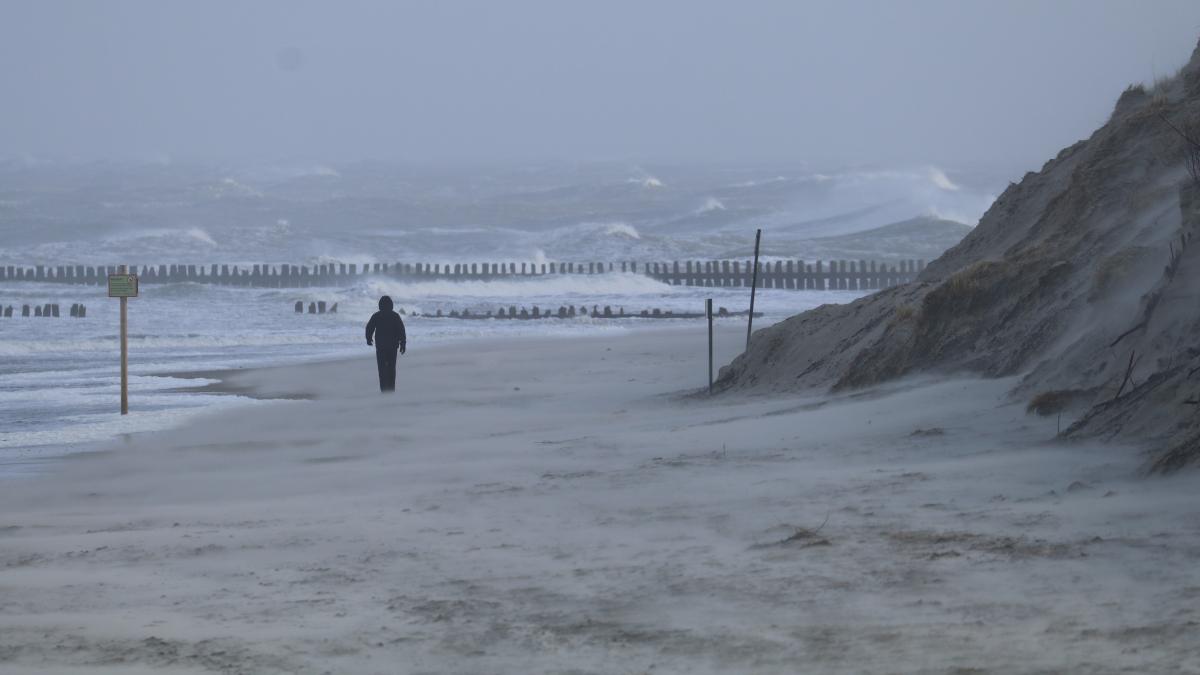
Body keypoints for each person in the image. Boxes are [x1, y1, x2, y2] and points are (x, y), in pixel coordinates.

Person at [365, 295, 406, 392]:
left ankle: (384, 389)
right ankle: (391, 389)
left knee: (382, 370)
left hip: (381, 347)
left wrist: (368, 339)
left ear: (380, 305)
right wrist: (403, 344)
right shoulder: (395, 316)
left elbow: (369, 328)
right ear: (391, 305)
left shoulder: (377, 316)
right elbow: (401, 331)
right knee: (391, 369)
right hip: (392, 347)